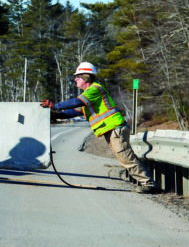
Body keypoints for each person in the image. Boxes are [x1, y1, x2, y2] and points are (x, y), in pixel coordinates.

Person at [43, 62, 157, 193]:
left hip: (115, 128)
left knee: (125, 157)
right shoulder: (88, 94)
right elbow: (75, 111)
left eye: (77, 77)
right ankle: (146, 182)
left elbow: (76, 102)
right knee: (125, 157)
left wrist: (55, 106)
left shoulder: (94, 89)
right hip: (111, 129)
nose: (75, 79)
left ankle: (148, 184)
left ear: (85, 77)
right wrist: (56, 115)